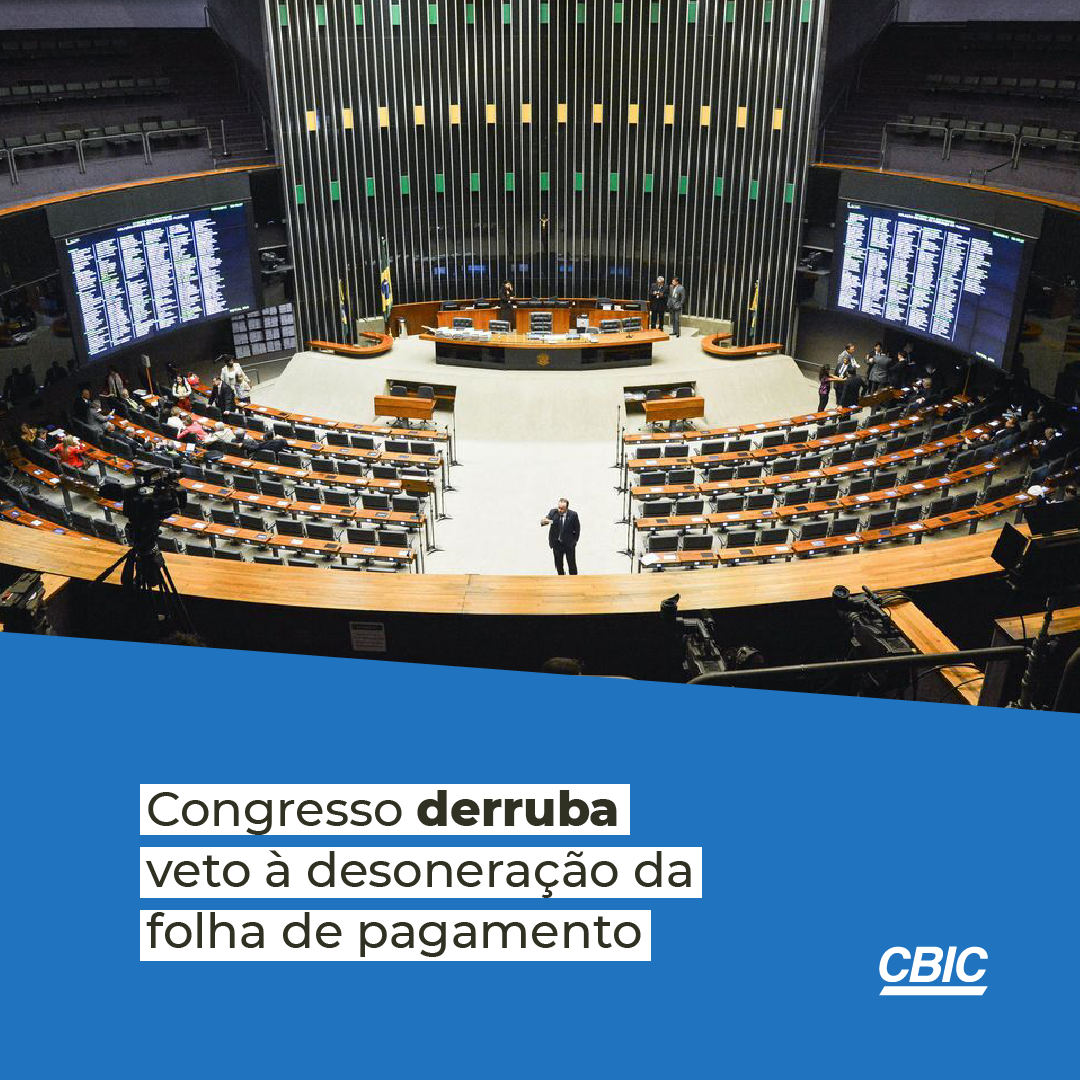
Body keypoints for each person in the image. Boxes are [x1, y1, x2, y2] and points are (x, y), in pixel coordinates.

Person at [540, 497, 580, 576]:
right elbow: (545, 521)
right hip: (557, 544)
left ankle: (574, 580)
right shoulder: (553, 512)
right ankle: (561, 579)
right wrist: (544, 521)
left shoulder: (573, 515)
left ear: (566, 508)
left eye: (562, 508)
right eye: (559, 507)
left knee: (571, 564)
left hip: (569, 544)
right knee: (558, 564)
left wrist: (574, 541)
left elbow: (577, 528)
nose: (559, 510)